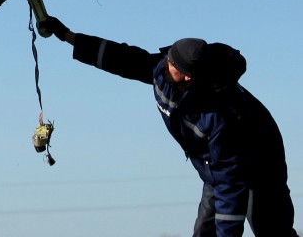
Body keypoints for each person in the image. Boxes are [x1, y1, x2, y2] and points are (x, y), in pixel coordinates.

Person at [40, 16, 295, 237]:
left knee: (271, 230)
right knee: (203, 232)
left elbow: (230, 185)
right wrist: (68, 36)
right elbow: (121, 58)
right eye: (174, 65)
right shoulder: (161, 70)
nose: (169, 67)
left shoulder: (219, 113)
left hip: (259, 162)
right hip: (214, 167)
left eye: (177, 67)